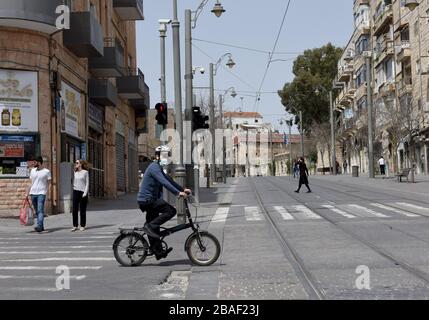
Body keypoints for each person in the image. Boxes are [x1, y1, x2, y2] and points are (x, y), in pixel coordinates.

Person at [137, 146, 191, 260]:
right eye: (164, 155)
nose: (166, 158)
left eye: (168, 156)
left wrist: (182, 189)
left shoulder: (159, 168)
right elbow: (164, 183)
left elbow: (169, 180)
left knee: (154, 229)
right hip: (147, 200)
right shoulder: (154, 168)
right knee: (171, 211)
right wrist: (178, 193)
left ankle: (158, 251)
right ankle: (150, 227)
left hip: (150, 200)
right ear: (157, 156)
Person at [27, 156, 51, 233]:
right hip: (33, 193)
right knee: (37, 211)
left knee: (40, 210)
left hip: (41, 193)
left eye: (35, 162)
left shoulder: (46, 171)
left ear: (39, 162)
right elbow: (30, 183)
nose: (33, 163)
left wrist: (47, 192)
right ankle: (42, 226)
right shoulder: (32, 171)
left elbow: (49, 183)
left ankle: (39, 226)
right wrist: (27, 193)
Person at [71, 159, 89, 232]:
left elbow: (87, 183)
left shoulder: (85, 172)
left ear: (81, 164)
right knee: (74, 209)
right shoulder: (75, 172)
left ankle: (82, 225)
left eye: (77, 163)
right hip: (75, 191)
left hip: (82, 192)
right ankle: (75, 225)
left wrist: (85, 193)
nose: (76, 164)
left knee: (82, 210)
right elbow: (73, 181)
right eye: (76, 163)